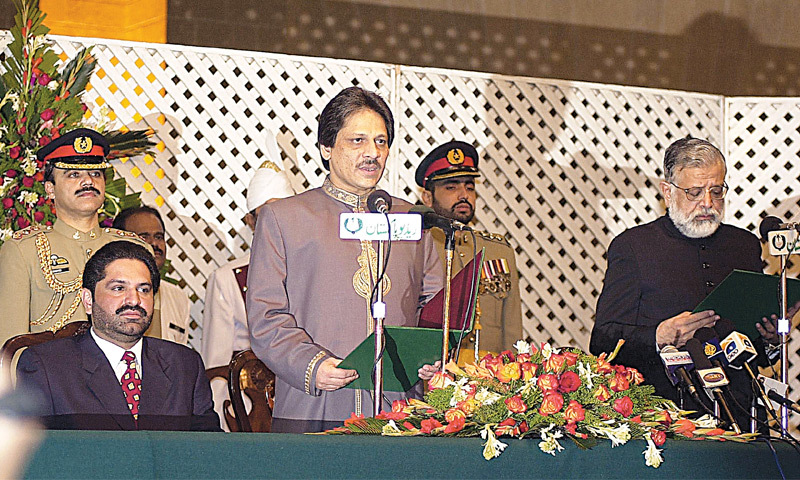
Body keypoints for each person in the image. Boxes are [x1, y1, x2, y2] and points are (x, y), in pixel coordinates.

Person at [246, 87, 443, 433]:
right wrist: (313, 365)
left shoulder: (414, 220)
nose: (372, 153)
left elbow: (437, 306)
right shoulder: (285, 218)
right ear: (326, 147)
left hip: (398, 410)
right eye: (357, 141)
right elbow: (265, 317)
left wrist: (431, 355)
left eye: (381, 142)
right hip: (314, 403)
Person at [590, 137, 780, 429]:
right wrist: (659, 335)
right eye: (694, 192)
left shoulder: (744, 245)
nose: (707, 203)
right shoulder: (633, 247)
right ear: (667, 192)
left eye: (716, 191)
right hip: (664, 419)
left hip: (742, 414)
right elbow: (602, 339)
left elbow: (751, 342)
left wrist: (770, 339)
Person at [16, 241, 220, 431]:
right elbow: (30, 457)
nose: (134, 300)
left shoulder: (184, 365)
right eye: (119, 288)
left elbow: (208, 450)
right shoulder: (46, 366)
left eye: (144, 289)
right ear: (88, 300)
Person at [0, 128, 159, 346]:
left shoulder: (134, 249)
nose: (88, 182)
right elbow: (10, 347)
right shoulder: (23, 250)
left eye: (95, 174)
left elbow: (152, 342)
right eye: (74, 174)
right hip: (48, 377)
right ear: (50, 189)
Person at [201, 131, 296, 431]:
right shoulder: (228, 278)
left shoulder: (312, 272)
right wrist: (221, 422)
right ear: (250, 221)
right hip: (246, 410)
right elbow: (216, 365)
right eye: (266, 215)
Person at [415, 140, 523, 356]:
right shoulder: (417, 249)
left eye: (469, 187)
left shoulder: (498, 250)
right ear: (427, 197)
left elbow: (512, 329)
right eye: (451, 187)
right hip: (435, 377)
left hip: (488, 380)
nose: (463, 194)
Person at [113, 205, 189, 345]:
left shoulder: (179, 297)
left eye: (159, 237)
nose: (154, 243)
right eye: (144, 237)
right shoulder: (110, 294)